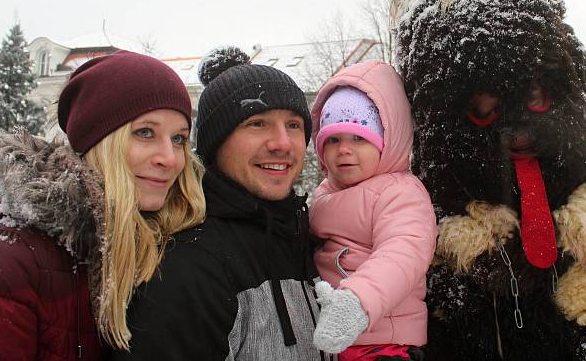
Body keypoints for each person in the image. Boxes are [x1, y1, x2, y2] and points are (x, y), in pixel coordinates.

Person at [0, 50, 206, 360]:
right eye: (145, 132)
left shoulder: (166, 242)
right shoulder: (5, 260)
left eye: (180, 139)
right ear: (98, 142)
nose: (169, 159)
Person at [113, 46, 325, 360]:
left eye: (293, 125)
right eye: (257, 123)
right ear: (216, 143)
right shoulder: (188, 267)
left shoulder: (307, 240)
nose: (282, 143)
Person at [308, 61, 437, 360]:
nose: (344, 149)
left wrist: (357, 301)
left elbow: (402, 254)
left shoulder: (400, 192)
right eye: (334, 139)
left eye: (359, 138)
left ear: (386, 143)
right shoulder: (324, 193)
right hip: (332, 338)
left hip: (382, 340)